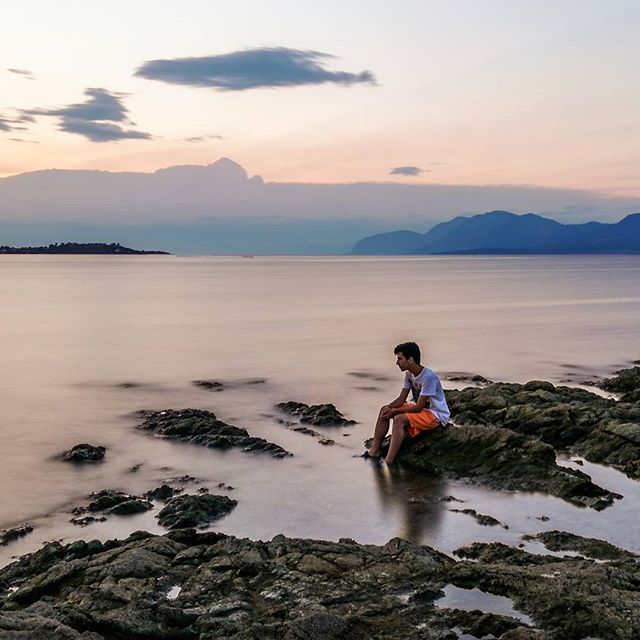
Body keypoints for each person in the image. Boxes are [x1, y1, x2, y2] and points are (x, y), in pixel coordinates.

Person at [366, 342, 450, 465]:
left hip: (436, 414)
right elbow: (401, 399)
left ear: (410, 359)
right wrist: (389, 408)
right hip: (423, 411)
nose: (397, 363)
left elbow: (418, 407)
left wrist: (395, 411)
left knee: (399, 419)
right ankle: (374, 452)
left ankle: (388, 461)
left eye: (400, 359)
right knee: (384, 410)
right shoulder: (409, 374)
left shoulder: (428, 377)